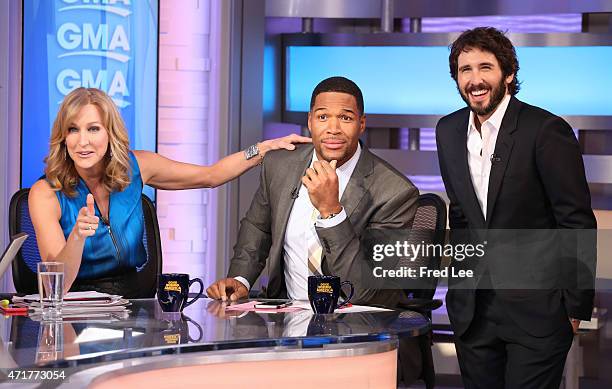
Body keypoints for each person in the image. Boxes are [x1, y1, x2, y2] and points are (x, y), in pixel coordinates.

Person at [207, 76, 429, 386]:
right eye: (323, 116)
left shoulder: (396, 192)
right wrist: (241, 279)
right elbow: (257, 228)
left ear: (362, 124)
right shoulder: (280, 166)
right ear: (310, 121)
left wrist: (331, 212)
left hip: (358, 333)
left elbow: (365, 290)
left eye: (346, 118)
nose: (334, 128)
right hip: (284, 326)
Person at [28, 87, 311, 296]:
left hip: (132, 304)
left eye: (93, 129)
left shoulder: (137, 166)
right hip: (75, 307)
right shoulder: (45, 193)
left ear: (109, 133)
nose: (83, 142)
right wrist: (77, 237)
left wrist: (262, 149)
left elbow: (210, 175)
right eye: (73, 130)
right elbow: (56, 285)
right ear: (63, 137)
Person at [435, 27, 597, 388]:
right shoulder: (447, 130)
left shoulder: (546, 130)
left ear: (507, 74)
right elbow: (461, 215)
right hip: (474, 314)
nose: (475, 80)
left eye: (485, 68)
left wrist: (574, 308)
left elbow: (575, 222)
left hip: (539, 313)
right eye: (465, 70)